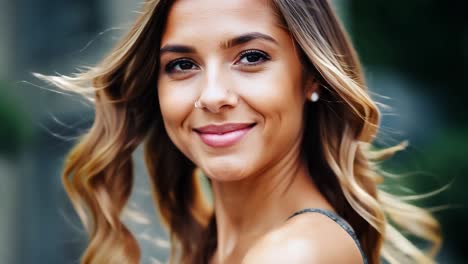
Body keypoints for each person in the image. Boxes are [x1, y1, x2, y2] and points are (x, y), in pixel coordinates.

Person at [37, 0, 442, 263]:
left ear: (311, 77)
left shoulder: (297, 253)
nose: (212, 96)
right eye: (182, 65)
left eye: (251, 57)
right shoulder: (215, 247)